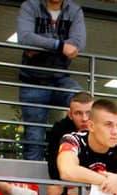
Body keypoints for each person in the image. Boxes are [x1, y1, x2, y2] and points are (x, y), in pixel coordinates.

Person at [17, 0, 86, 162]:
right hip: (33, 80)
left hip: (60, 78)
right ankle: (32, 177)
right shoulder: (30, 6)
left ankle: (77, 160)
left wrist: (40, 44)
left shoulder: (74, 11)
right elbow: (25, 38)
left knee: (84, 104)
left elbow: (78, 44)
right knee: (34, 137)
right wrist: (60, 46)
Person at [43, 91, 93, 195]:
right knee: (53, 189)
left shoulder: (103, 128)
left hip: (97, 182)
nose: (84, 118)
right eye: (78, 113)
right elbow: (55, 170)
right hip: (68, 181)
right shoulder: (59, 131)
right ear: (70, 114)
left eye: (88, 113)